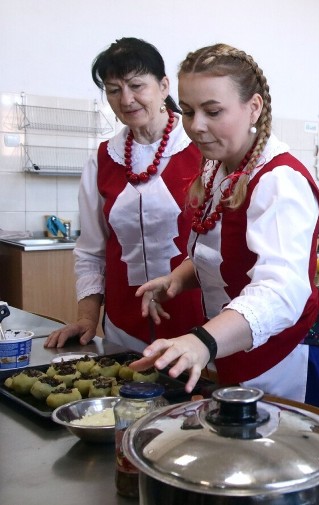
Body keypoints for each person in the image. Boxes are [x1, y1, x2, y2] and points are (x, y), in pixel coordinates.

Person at [130, 43, 319, 412]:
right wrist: (178, 278)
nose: (196, 126)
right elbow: (222, 254)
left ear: (253, 107)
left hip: (283, 363)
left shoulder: (279, 181)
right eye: (188, 111)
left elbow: (279, 291)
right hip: (237, 355)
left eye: (212, 111)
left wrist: (201, 342)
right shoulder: (219, 168)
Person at [45, 37, 204, 352]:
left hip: (198, 326)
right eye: (114, 90)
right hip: (123, 328)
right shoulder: (104, 158)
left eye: (136, 86)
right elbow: (91, 250)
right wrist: (87, 318)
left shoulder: (202, 147)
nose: (126, 99)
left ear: (163, 86)